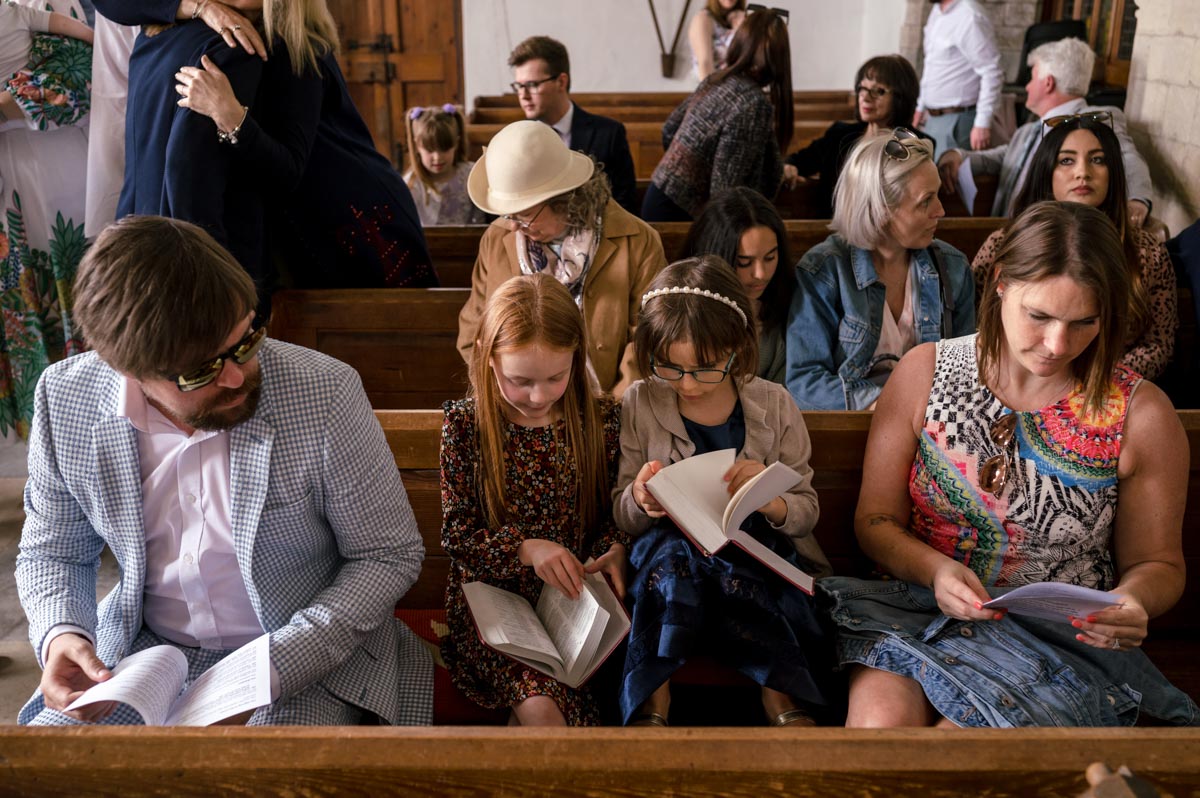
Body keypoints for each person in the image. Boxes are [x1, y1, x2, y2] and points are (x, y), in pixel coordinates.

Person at [15, 216, 432, 726]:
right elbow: (54, 550)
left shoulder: (323, 390)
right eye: (201, 371)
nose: (237, 377)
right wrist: (63, 633)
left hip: (303, 654)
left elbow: (386, 556)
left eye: (246, 343)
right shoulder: (65, 397)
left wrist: (273, 669)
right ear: (126, 368)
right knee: (52, 763)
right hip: (141, 655)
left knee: (251, 769)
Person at [821, 201, 1199, 728]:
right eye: (1039, 316)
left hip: (1059, 639)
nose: (1057, 345)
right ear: (1000, 281)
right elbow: (876, 520)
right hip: (917, 608)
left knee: (971, 748)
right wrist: (936, 570)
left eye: (1084, 322)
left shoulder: (1141, 414)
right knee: (881, 727)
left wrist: (1131, 601)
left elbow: (1159, 564)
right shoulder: (924, 373)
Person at [613, 257, 835, 728]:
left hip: (754, 548)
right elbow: (622, 513)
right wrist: (640, 497)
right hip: (669, 557)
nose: (687, 384)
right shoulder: (642, 400)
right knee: (671, 558)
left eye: (706, 368)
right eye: (670, 367)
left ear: (736, 348)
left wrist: (769, 498)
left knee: (746, 561)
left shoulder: (774, 403)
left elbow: (807, 513)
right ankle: (654, 702)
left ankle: (781, 698)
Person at [107, 0, 436, 295]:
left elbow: (287, 171)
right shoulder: (180, 30)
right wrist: (200, 6)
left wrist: (231, 116)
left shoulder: (294, 46)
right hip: (275, 222)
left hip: (349, 214)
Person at [441, 273, 626, 727]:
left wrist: (614, 549)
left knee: (570, 702)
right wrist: (527, 549)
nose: (539, 396)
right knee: (540, 704)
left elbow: (612, 515)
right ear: (487, 357)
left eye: (556, 377)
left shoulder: (601, 421)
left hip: (576, 608)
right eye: (520, 380)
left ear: (576, 357)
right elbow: (457, 536)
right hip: (494, 607)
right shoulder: (466, 426)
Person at [460, 120, 667, 398]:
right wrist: (507, 396)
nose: (513, 226)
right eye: (508, 214)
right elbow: (474, 330)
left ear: (565, 201)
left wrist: (613, 409)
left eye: (523, 215)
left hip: (609, 402)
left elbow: (649, 335)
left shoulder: (638, 241)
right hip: (516, 403)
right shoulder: (497, 238)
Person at [971, 116, 1177, 380]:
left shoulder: (1147, 252)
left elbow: (1157, 345)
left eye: (1098, 160)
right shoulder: (1004, 244)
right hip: (1018, 380)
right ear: (1047, 170)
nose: (1083, 173)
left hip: (1109, 388)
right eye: (1067, 160)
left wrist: (1095, 381)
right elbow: (978, 326)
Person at [786, 131, 976, 411]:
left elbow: (966, 374)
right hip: (851, 425)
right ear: (881, 208)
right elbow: (804, 382)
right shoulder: (825, 271)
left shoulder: (953, 267)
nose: (941, 211)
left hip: (931, 424)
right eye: (926, 200)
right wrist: (885, 404)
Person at [0, 0, 93, 439]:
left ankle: (82, 425)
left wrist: (6, 106)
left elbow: (81, 75)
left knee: (69, 287)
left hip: (52, 171)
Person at [938, 37, 1153, 224]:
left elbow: (1128, 159)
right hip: (1001, 230)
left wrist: (1137, 201)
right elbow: (1005, 157)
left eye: (1032, 78)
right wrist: (958, 155)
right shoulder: (1029, 130)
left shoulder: (1094, 121)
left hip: (1047, 237)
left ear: (1048, 83)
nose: (1027, 86)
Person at [642, 7, 791, 222]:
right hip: (678, 211)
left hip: (659, 196)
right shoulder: (752, 104)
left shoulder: (718, 80)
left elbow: (669, 129)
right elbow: (725, 189)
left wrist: (682, 170)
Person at [783, 54, 932, 219]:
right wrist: (788, 167)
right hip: (833, 227)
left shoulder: (916, 143)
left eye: (878, 91)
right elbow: (798, 161)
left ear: (901, 97)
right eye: (862, 88)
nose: (865, 98)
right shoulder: (840, 134)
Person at [507, 36, 638, 216]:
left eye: (532, 85)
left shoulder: (609, 134)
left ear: (561, 82)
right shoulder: (513, 141)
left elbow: (625, 206)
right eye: (519, 86)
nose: (523, 95)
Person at [681, 187, 794, 383]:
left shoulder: (787, 305)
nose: (760, 274)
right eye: (744, 262)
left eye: (770, 258)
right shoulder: (686, 311)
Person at [913, 0, 1004, 154]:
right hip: (932, 119)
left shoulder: (970, 16)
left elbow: (991, 70)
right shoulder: (937, 11)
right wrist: (920, 106)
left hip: (958, 121)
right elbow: (931, 65)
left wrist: (982, 123)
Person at [403, 104, 486, 226]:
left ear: (456, 143)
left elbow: (480, 218)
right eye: (430, 150)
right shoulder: (411, 184)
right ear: (417, 146)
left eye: (445, 149)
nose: (437, 157)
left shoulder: (471, 174)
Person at [687, 0, 744, 81]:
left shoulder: (742, 19)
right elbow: (705, 63)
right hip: (713, 85)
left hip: (739, 84)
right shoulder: (703, 19)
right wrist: (711, 89)